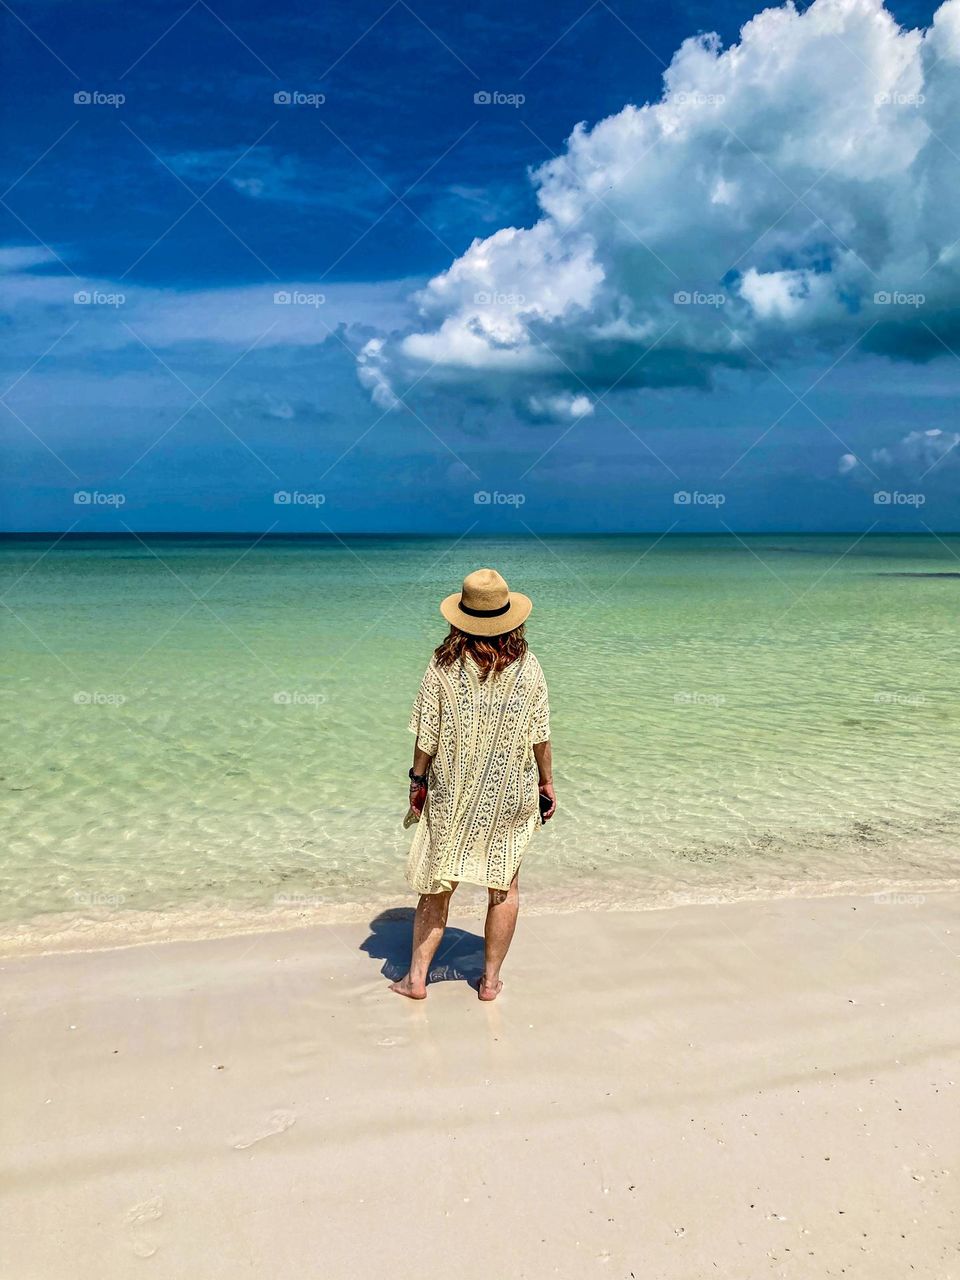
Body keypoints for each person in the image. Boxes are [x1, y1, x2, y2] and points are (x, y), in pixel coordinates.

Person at [390, 568, 555, 1002]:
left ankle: (416, 979)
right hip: (511, 793)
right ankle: (490, 981)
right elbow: (540, 733)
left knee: (437, 883)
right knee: (504, 887)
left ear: (459, 617)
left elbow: (427, 735)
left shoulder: (442, 666)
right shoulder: (527, 667)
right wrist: (547, 783)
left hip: (452, 792)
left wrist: (416, 780)